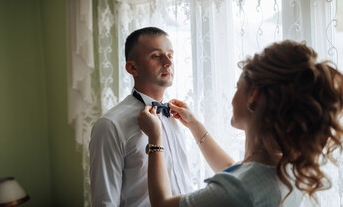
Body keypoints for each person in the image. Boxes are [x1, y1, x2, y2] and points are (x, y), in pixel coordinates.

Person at [138, 40, 343, 207]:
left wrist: (155, 138)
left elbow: (163, 205)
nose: (232, 97)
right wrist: (194, 124)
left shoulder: (238, 191)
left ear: (254, 96)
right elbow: (230, 168)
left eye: (238, 87)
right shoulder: (286, 167)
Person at [89, 27, 193, 207]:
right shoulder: (110, 125)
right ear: (132, 67)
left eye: (170, 55)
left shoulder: (177, 114)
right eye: (156, 55)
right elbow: (105, 202)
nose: (168, 62)